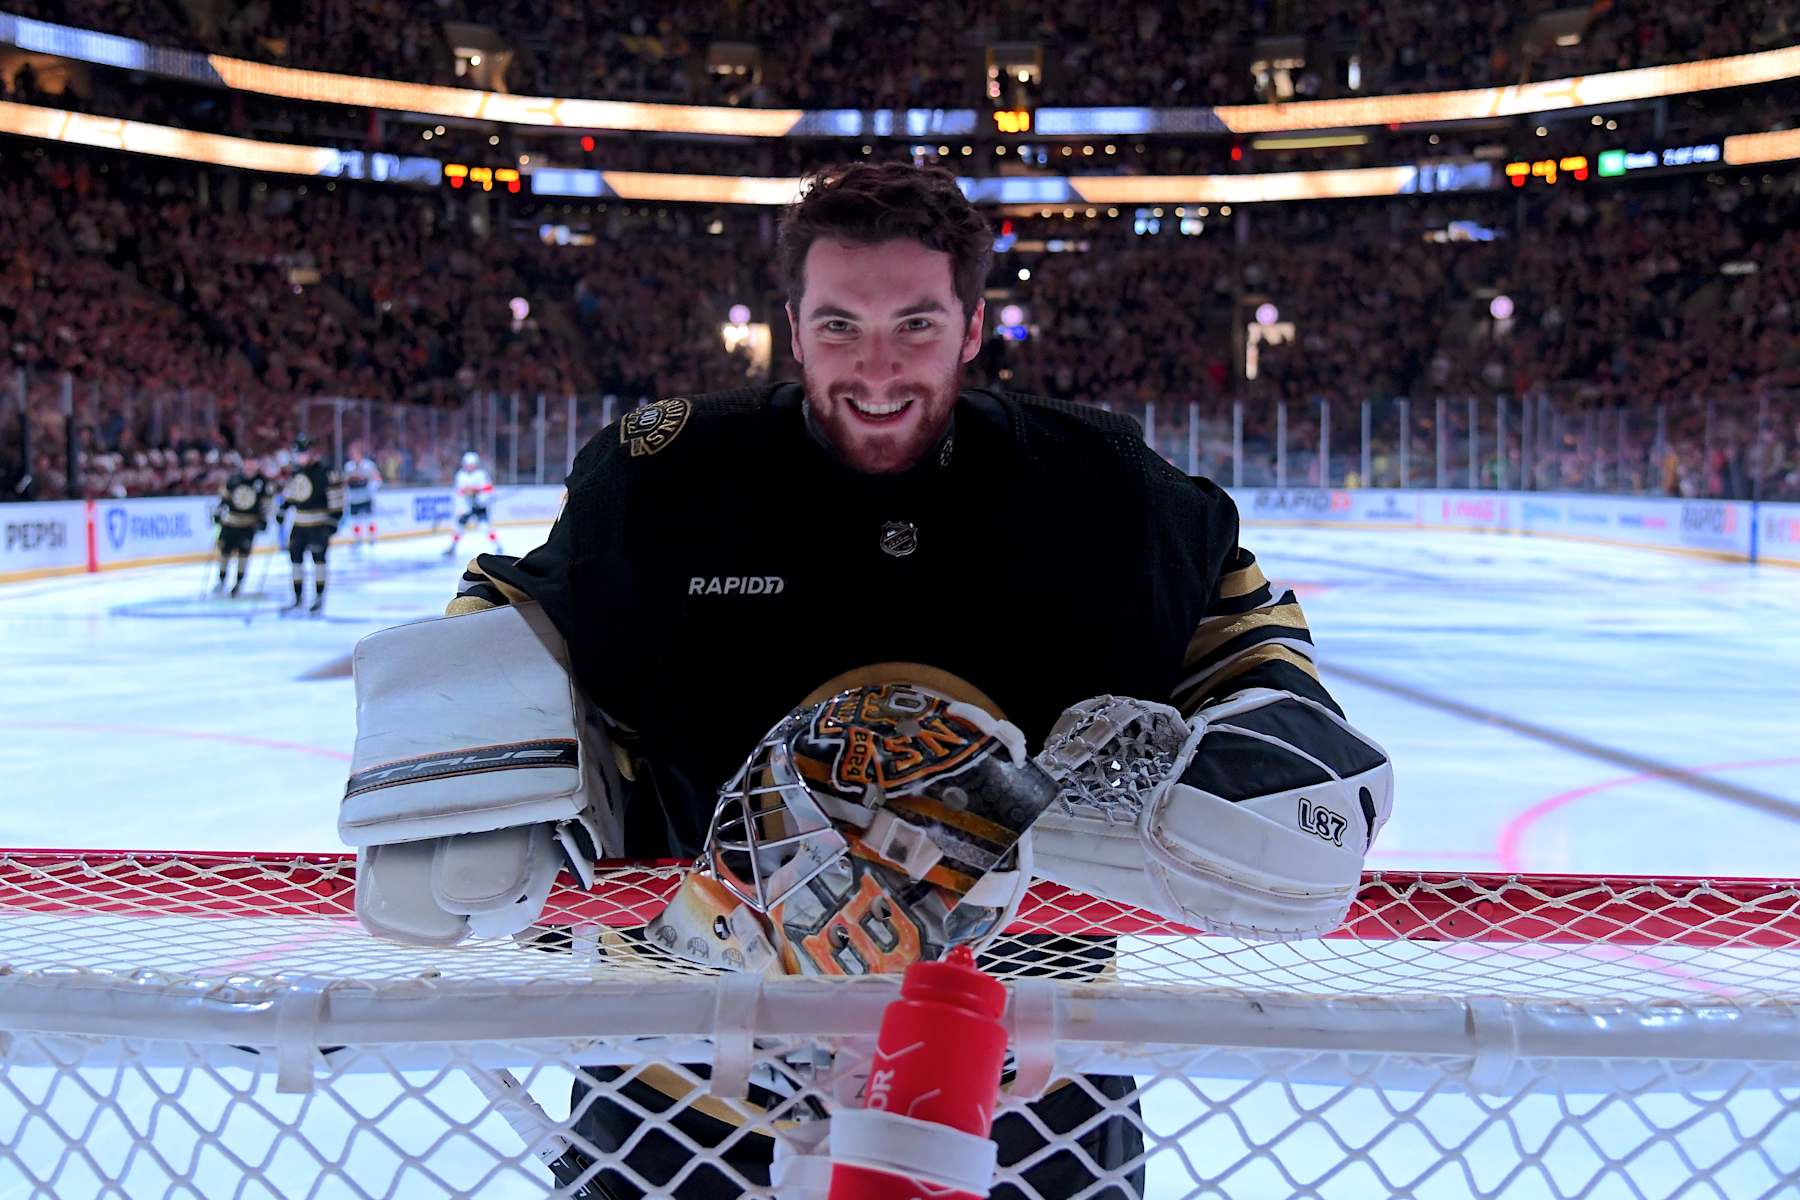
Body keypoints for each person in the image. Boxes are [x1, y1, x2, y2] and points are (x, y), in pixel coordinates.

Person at [354, 163, 1392, 1198]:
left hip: (1026, 1062)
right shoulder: (664, 480)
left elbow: (1237, 619)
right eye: (842, 326)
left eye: (917, 325)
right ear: (795, 329)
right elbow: (521, 605)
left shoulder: (1096, 485)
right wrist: (469, 734)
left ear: (973, 327)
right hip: (686, 1048)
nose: (878, 368)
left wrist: (1275, 736)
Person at [279, 434, 343, 615]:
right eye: (298, 453)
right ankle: (297, 597)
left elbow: (337, 496)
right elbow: (291, 494)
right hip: (299, 523)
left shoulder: (326, 472)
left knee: (319, 561)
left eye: (304, 453)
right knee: (295, 560)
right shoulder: (295, 472)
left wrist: (334, 519)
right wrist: (282, 510)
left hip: (319, 523)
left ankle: (319, 597)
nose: (301, 457)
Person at [212, 454, 271, 597]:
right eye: (247, 462)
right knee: (225, 552)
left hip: (248, 524)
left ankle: (238, 582)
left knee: (243, 555)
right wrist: (218, 513)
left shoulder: (262, 482)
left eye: (253, 462)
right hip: (230, 523)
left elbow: (266, 504)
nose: (249, 466)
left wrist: (263, 520)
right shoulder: (233, 479)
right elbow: (223, 500)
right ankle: (221, 579)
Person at [443, 450, 499, 558]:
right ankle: (452, 547)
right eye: (468, 465)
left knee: (485, 527)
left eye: (472, 465)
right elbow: (459, 492)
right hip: (466, 507)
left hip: (479, 506)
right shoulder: (460, 475)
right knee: (459, 528)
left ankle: (497, 546)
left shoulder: (481, 475)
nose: (470, 467)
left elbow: (488, 488)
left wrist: (479, 495)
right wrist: (461, 506)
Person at [342, 440, 382, 551]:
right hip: (354, 499)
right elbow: (345, 482)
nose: (353, 455)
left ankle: (372, 539)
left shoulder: (369, 465)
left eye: (355, 452)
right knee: (355, 521)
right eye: (352, 453)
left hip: (366, 498)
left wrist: (370, 488)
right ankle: (357, 540)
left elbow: (377, 480)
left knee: (369, 519)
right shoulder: (348, 466)